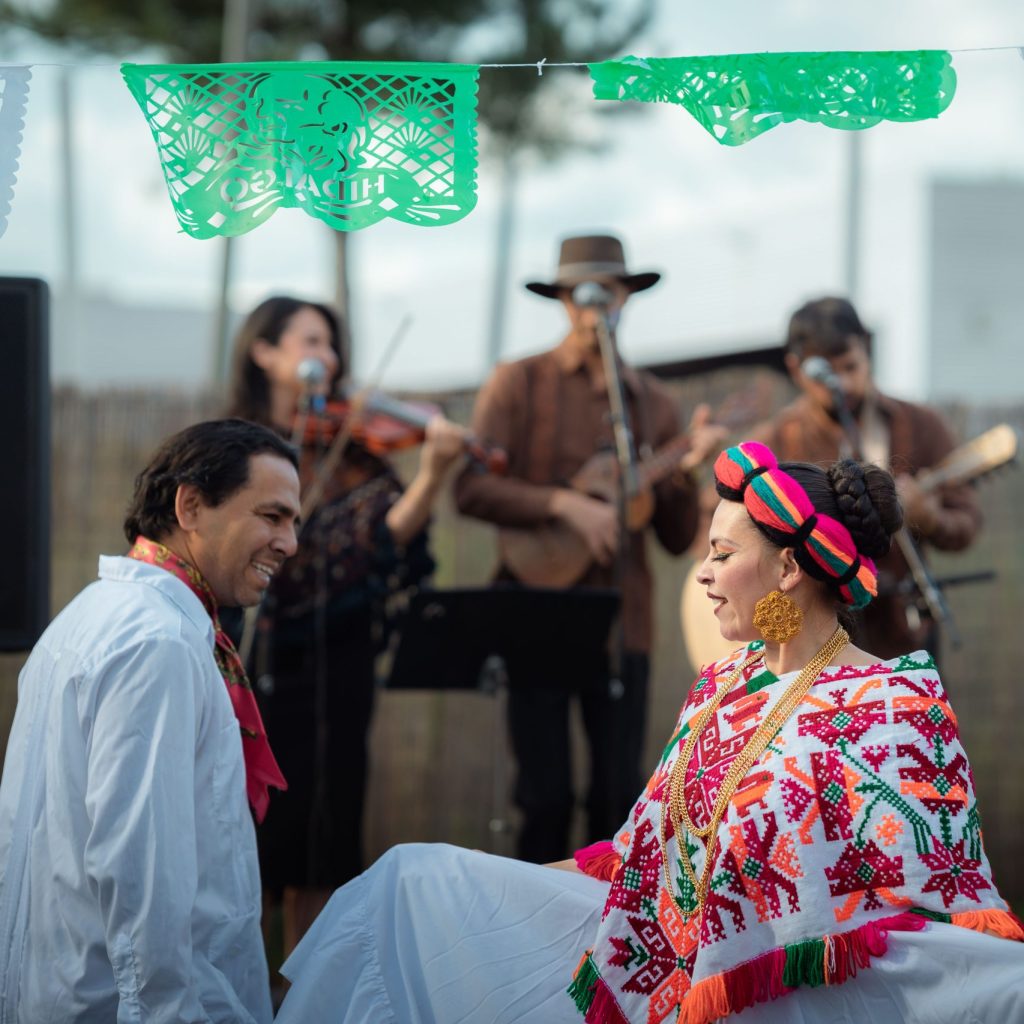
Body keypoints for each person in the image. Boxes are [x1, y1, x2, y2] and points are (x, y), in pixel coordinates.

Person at [274, 440, 1023, 1024]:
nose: (701, 573)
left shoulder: (894, 702)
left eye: (723, 554)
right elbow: (644, 849)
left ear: (790, 567)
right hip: (671, 978)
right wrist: (517, 883)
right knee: (413, 883)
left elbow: (936, 895)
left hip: (809, 998)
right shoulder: (723, 686)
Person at [0, 418, 302, 1023]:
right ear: (190, 505)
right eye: (272, 516)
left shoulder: (94, 612)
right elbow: (140, 872)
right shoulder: (156, 643)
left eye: (293, 521)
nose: (290, 542)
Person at [454, 233, 725, 864]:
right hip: (535, 607)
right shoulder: (517, 383)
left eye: (608, 292)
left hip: (621, 622)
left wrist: (687, 469)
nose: (594, 305)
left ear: (626, 297)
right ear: (564, 300)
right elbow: (469, 488)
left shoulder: (653, 402)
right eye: (582, 293)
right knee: (541, 796)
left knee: (617, 796)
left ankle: (606, 951)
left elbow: (677, 535)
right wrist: (562, 505)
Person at [225, 295, 467, 966]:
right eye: (309, 340)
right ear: (264, 352)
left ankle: (311, 982)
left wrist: (437, 471)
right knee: (253, 826)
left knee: (328, 821)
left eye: (331, 343)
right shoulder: (233, 446)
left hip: (340, 653)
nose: (325, 356)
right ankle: (243, 979)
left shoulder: (355, 450)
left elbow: (382, 539)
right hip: (257, 651)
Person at [752, 296, 981, 659]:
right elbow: (720, 535)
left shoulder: (920, 425)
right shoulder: (776, 441)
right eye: (824, 374)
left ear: (867, 351)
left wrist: (930, 518)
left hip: (903, 632)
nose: (841, 383)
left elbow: (968, 521)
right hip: (812, 640)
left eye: (850, 366)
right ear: (795, 369)